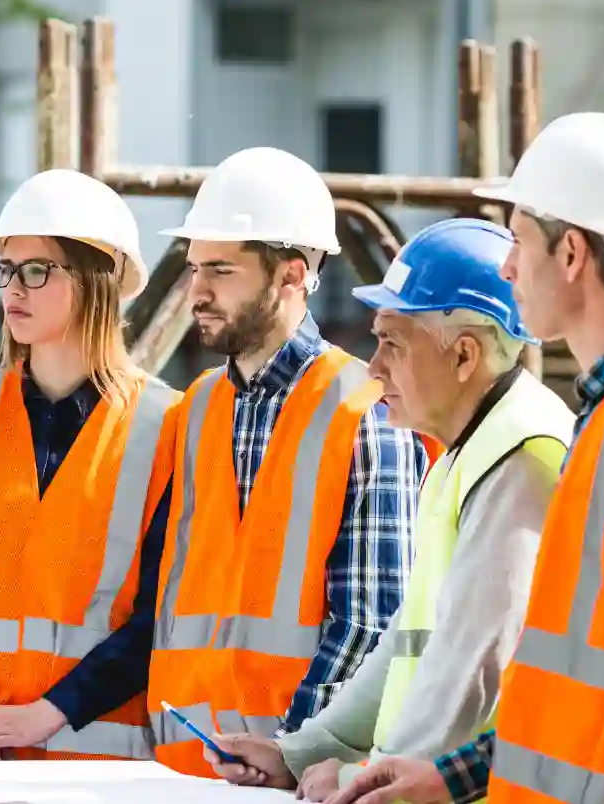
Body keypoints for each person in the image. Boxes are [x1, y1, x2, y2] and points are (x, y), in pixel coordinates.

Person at [325, 113, 604, 804]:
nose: (507, 266)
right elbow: (563, 700)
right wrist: (448, 778)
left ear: (570, 254)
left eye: (518, 241)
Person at [203, 219, 572, 800]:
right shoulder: (468, 451)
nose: (373, 368)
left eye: (392, 343)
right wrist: (302, 752)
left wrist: (364, 778)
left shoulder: (519, 461)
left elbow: (470, 677)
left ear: (465, 356)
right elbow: (410, 641)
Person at [144, 146, 435, 777]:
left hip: (296, 775)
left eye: (221, 270)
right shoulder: (195, 410)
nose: (198, 292)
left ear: (292, 276)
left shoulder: (366, 411)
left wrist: (293, 750)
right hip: (182, 768)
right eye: (195, 269)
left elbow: (370, 621)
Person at [0, 169, 178, 761]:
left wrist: (47, 715)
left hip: (95, 768)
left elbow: (161, 615)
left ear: (96, 278)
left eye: (36, 270)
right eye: (6, 270)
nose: (13, 290)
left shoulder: (169, 425)